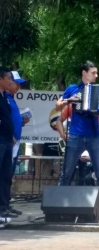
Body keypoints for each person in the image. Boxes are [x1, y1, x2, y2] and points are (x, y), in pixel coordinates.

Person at [55, 60, 99, 219]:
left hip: (94, 136)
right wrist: (70, 100)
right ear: (84, 73)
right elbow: (58, 105)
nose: (96, 75)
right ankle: (59, 207)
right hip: (75, 136)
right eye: (93, 72)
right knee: (67, 172)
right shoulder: (72, 88)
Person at [5, 71, 30, 216]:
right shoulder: (4, 99)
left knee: (9, 175)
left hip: (14, 143)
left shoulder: (11, 99)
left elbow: (11, 120)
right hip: (7, 142)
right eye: (16, 83)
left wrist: (22, 122)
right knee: (5, 175)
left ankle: (6, 204)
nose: (18, 87)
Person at [0, 67, 17, 224]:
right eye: (8, 79)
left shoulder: (5, 96)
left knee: (5, 175)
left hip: (6, 139)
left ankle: (3, 207)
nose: (11, 82)